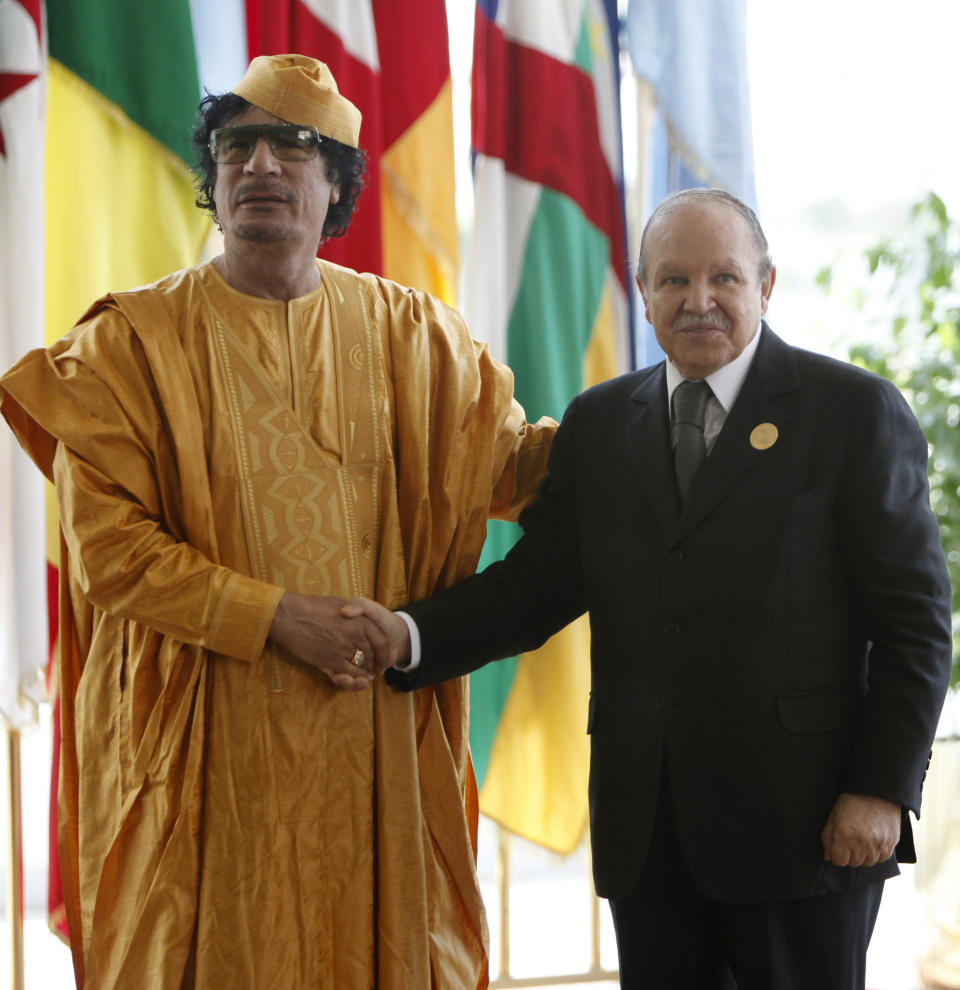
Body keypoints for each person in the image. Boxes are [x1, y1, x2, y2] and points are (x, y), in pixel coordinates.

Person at [0, 54, 554, 989]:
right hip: (200, 751)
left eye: (294, 147)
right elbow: (111, 554)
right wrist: (276, 616)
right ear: (213, 184)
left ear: (336, 186)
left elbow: (514, 469)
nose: (261, 165)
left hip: (372, 743)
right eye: (237, 146)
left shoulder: (414, 339)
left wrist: (659, 410)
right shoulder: (130, 344)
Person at [351, 188, 954, 989]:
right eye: (672, 280)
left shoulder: (852, 412)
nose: (697, 301)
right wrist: (406, 636)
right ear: (642, 291)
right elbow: (536, 587)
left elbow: (916, 625)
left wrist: (880, 790)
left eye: (723, 279)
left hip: (805, 829)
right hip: (650, 832)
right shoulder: (600, 425)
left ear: (765, 286)